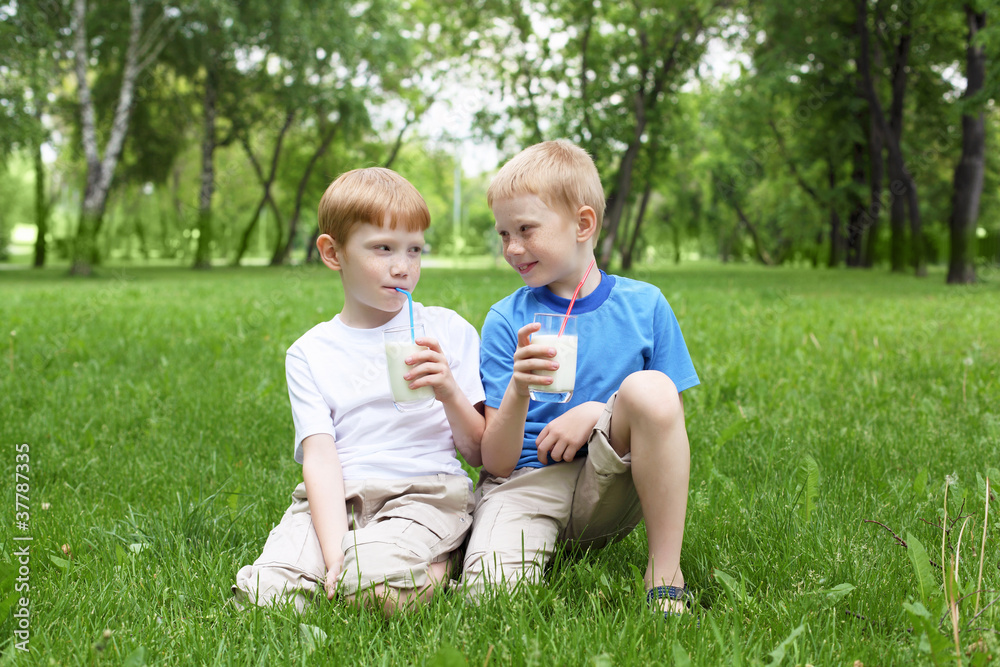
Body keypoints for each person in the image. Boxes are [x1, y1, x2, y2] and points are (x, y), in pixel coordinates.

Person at [461, 140, 700, 617]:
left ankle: (665, 576)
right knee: (488, 602)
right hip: (524, 484)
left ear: (583, 225)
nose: (512, 248)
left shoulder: (644, 305)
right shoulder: (507, 320)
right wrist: (518, 388)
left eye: (526, 229)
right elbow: (497, 461)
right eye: (503, 233)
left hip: (609, 483)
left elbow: (663, 415)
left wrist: (597, 412)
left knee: (651, 387)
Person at [234, 167, 485, 615]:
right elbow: (321, 459)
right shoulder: (310, 353)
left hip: (424, 492)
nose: (402, 267)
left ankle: (441, 563)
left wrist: (448, 390)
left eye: (414, 250)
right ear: (333, 253)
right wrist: (334, 560)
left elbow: (479, 450)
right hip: (340, 497)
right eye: (382, 248)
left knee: (373, 593)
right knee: (267, 599)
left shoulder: (447, 331)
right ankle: (356, 564)